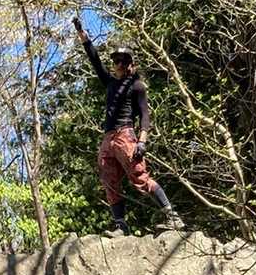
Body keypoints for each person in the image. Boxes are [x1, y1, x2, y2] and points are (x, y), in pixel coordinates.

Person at [74, 17, 184, 235]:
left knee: (140, 177)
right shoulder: (110, 83)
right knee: (108, 180)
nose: (119, 64)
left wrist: (142, 141)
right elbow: (95, 60)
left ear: (131, 64)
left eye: (124, 61)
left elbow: (145, 115)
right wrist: (82, 35)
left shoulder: (137, 86)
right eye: (117, 61)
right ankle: (120, 226)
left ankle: (173, 217)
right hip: (108, 138)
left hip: (126, 135)